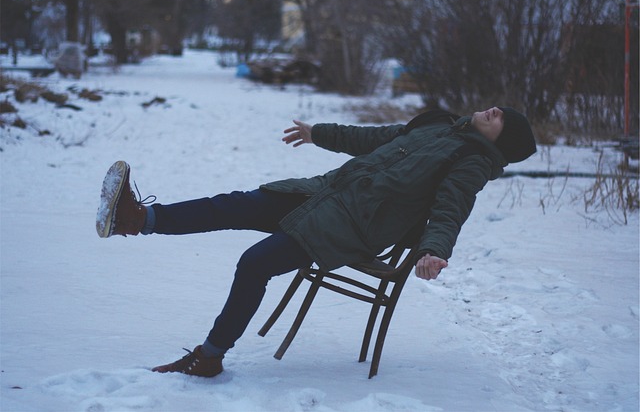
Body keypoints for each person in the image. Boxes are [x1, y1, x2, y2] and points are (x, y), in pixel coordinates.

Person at [96, 106, 536, 378]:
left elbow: (450, 208)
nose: (495, 111)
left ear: (502, 143)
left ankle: (209, 356)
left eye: (502, 120)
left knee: (254, 263)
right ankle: (137, 219)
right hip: (319, 192)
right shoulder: (439, 123)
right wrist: (318, 133)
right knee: (230, 205)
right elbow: (374, 137)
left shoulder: (472, 161)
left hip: (344, 228)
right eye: (498, 108)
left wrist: (434, 249)